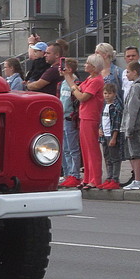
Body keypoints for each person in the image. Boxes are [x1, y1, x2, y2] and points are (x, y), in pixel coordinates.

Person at [63, 54, 107, 190]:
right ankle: (88, 177)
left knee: (92, 148)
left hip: (91, 116)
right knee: (85, 148)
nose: (85, 65)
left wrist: (72, 85)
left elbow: (82, 96)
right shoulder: (90, 78)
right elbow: (79, 89)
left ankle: (95, 178)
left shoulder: (97, 80)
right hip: (84, 115)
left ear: (94, 67)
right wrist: (70, 81)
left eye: (88, 63)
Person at [118, 61, 140, 190]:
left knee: (135, 152)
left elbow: (133, 109)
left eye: (128, 72)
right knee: (132, 153)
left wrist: (129, 128)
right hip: (137, 124)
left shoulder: (136, 87)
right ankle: (137, 179)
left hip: (134, 126)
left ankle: (138, 179)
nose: (126, 74)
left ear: (135, 72)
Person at [58, 57, 82, 188]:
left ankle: (75, 174)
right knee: (65, 148)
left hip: (70, 118)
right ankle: (67, 173)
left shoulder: (75, 82)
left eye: (64, 67)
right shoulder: (62, 83)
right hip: (62, 117)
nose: (61, 69)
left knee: (73, 148)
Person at [98, 83, 122, 190]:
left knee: (115, 158)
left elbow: (116, 124)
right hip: (104, 135)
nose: (107, 96)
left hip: (111, 136)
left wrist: (114, 137)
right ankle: (109, 177)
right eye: (105, 93)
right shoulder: (104, 106)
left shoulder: (116, 107)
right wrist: (100, 128)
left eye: (109, 93)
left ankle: (115, 179)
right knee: (107, 158)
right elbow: (102, 119)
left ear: (115, 94)